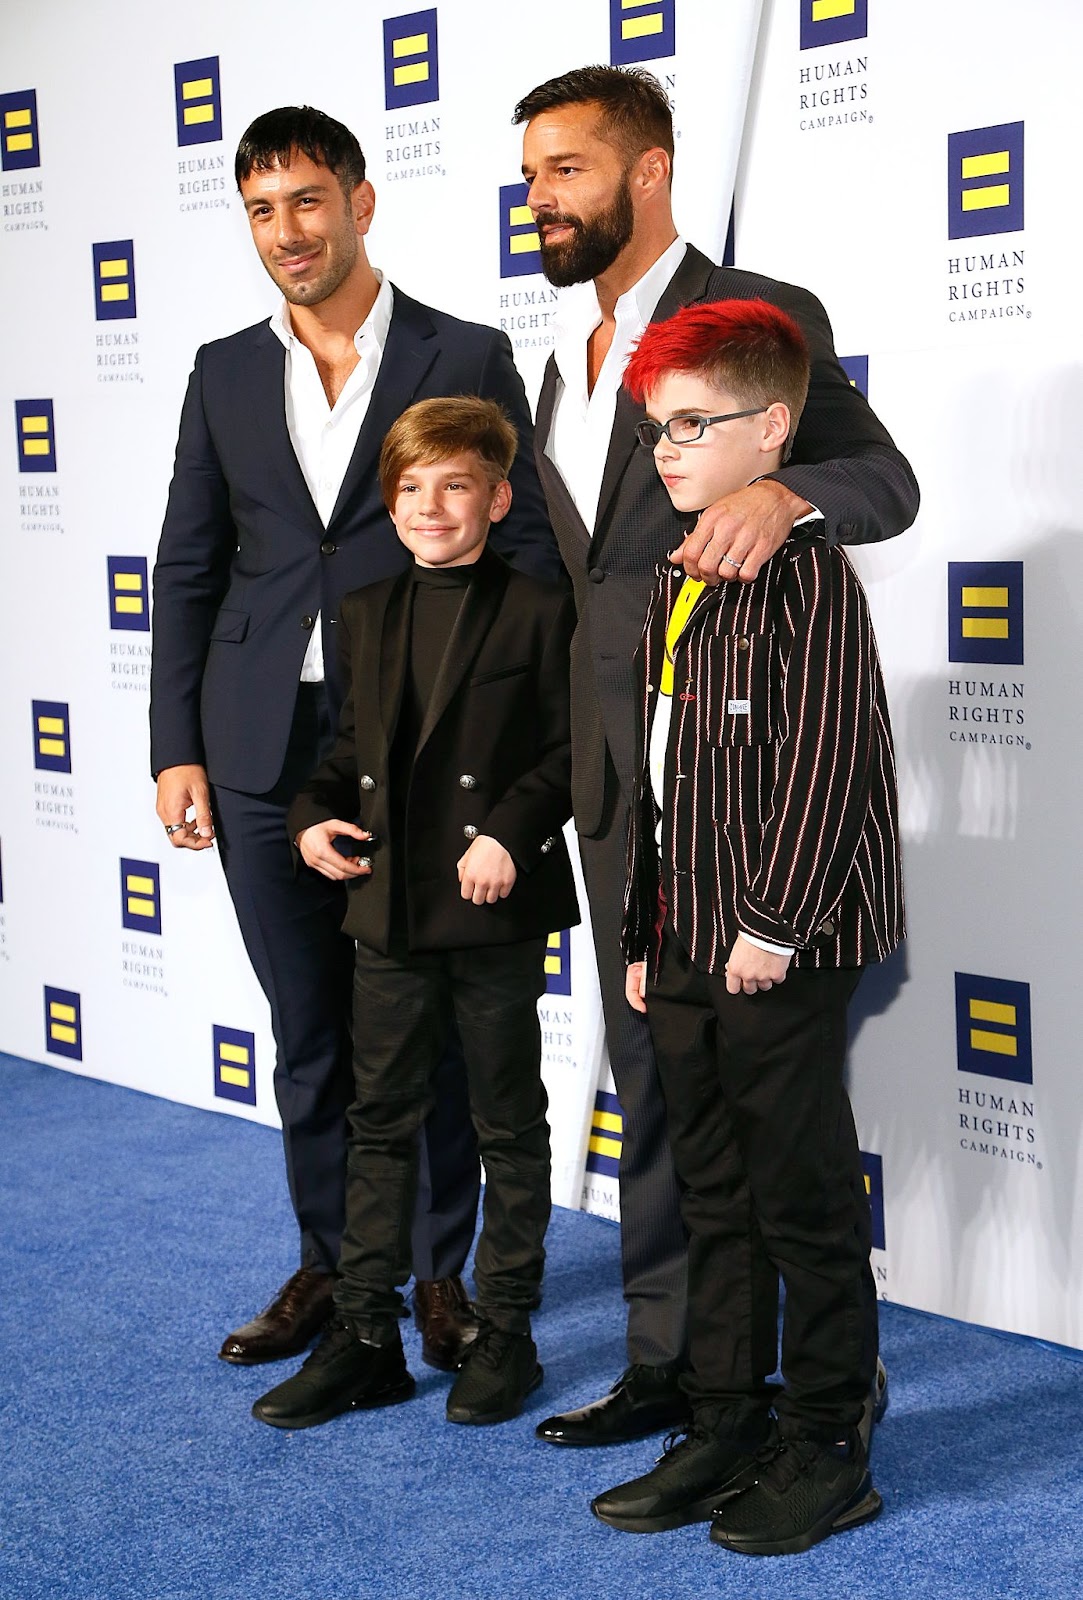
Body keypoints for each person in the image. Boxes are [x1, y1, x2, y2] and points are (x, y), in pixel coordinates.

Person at [513, 64, 917, 1447]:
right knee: (655, 1082)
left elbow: (884, 482)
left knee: (762, 1112)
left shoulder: (754, 320)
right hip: (617, 782)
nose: (538, 200)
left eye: (564, 170)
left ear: (647, 170)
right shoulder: (550, 359)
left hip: (747, 781)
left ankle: (815, 1400)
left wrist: (784, 488)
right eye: (527, 177)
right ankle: (680, 1364)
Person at [150, 106, 560, 1371]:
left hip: (422, 738)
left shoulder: (465, 348)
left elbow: (532, 548)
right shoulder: (223, 368)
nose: (287, 232)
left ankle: (439, 1274)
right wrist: (177, 744)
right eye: (263, 210)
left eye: (308, 202)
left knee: (421, 1021)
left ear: (361, 202)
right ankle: (339, 1267)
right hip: (262, 743)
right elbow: (189, 564)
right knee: (311, 1026)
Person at [588, 297, 903, 1553]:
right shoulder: (679, 575)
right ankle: (725, 1411)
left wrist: (769, 927)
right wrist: (637, 931)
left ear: (774, 432)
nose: (667, 450)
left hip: (780, 946)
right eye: (655, 429)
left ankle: (829, 1434)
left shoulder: (806, 577)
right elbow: (660, 777)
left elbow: (829, 765)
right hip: (684, 939)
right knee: (710, 1190)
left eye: (693, 425)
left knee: (802, 1195)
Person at [249, 397, 578, 1430]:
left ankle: (509, 1331)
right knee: (379, 1118)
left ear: (497, 496)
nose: (431, 505)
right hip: (387, 904)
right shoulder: (367, 608)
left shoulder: (539, 607)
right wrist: (311, 816)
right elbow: (350, 751)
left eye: (455, 484)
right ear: (389, 503)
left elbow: (573, 751)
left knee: (505, 1122)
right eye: (410, 487)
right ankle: (365, 1334)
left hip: (488, 904)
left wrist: (508, 832)